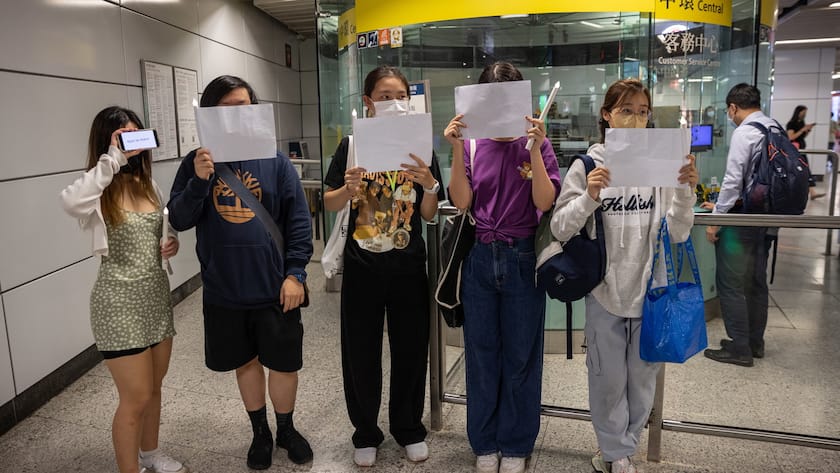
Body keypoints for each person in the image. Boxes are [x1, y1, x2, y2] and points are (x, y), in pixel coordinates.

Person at [550, 79, 698, 473]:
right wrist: (589, 196)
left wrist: (684, 190)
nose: (636, 119)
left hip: (651, 290)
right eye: (626, 110)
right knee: (607, 380)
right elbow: (560, 228)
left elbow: (679, 231)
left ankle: (621, 449)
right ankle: (616, 454)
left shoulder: (660, 164)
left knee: (642, 381)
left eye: (643, 111)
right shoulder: (587, 165)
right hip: (604, 291)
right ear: (607, 115)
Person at [167, 75, 313, 470]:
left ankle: (286, 429)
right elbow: (179, 218)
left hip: (274, 286)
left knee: (284, 364)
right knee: (245, 363)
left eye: (245, 106)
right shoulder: (197, 161)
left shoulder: (276, 160)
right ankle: (260, 433)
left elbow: (299, 222)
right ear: (211, 113)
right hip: (224, 288)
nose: (238, 113)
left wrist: (295, 273)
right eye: (228, 107)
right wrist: (199, 179)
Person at [323, 65, 445, 467]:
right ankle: (365, 432)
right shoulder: (352, 145)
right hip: (362, 265)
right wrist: (349, 188)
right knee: (361, 352)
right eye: (385, 95)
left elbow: (428, 215)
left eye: (400, 96)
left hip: (409, 265)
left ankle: (408, 427)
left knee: (411, 350)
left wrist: (428, 183)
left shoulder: (419, 146)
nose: (394, 102)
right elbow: (329, 201)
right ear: (368, 100)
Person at [445, 62, 562, 473]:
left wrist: (534, 148)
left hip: (522, 256)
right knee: (481, 354)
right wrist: (458, 148)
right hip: (480, 255)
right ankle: (484, 441)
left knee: (521, 356)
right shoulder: (474, 144)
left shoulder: (537, 142)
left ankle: (515, 442)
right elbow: (461, 201)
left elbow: (544, 202)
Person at [60, 106, 185, 473]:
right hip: (118, 303)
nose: (132, 143)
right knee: (136, 396)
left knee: (155, 388)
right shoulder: (98, 187)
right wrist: (111, 160)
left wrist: (170, 242)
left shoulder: (149, 184)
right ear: (109, 141)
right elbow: (68, 201)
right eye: (123, 136)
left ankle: (151, 453)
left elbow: (164, 229)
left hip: (156, 298)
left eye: (136, 134)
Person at [703, 83, 776, 368]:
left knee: (731, 282)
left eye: (728, 111)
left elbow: (733, 182)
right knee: (756, 281)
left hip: (744, 218)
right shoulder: (773, 127)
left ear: (733, 107)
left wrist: (716, 220)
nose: (729, 116)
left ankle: (739, 348)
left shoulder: (745, 132)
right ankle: (755, 343)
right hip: (770, 218)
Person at [786, 105, 823, 199]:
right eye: (803, 112)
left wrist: (807, 131)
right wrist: (802, 130)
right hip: (795, 151)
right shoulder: (791, 124)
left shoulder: (802, 123)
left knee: (805, 171)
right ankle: (810, 192)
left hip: (802, 149)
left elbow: (801, 137)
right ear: (798, 112)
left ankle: (812, 192)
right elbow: (791, 137)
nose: (804, 115)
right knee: (800, 171)